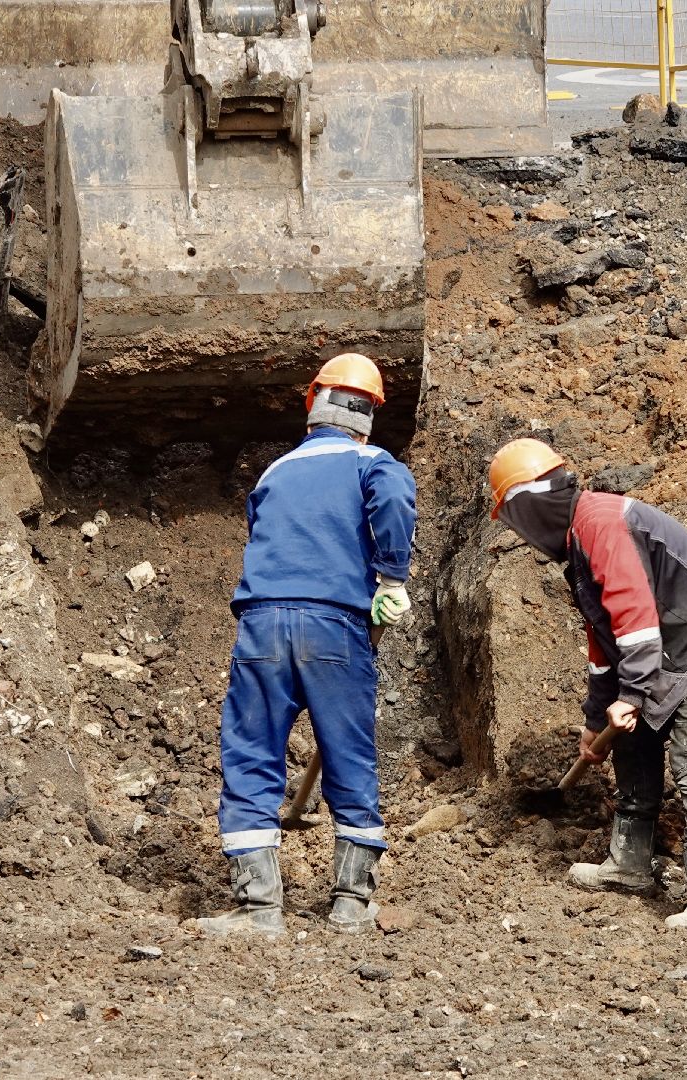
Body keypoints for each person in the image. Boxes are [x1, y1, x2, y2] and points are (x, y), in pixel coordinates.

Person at [487, 438, 687, 932]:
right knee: (633, 740)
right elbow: (606, 645)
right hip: (674, 648)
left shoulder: (600, 522)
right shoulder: (579, 542)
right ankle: (630, 864)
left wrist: (633, 694)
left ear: (530, 508)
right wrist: (597, 721)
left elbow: (635, 616)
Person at [194, 353, 418, 937]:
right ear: (370, 414)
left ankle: (258, 907)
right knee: (349, 751)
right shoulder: (373, 462)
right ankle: (350, 903)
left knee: (250, 753)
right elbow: (394, 502)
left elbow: (265, 535)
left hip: (263, 622)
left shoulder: (274, 472)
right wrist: (390, 578)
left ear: (313, 404)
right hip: (334, 625)